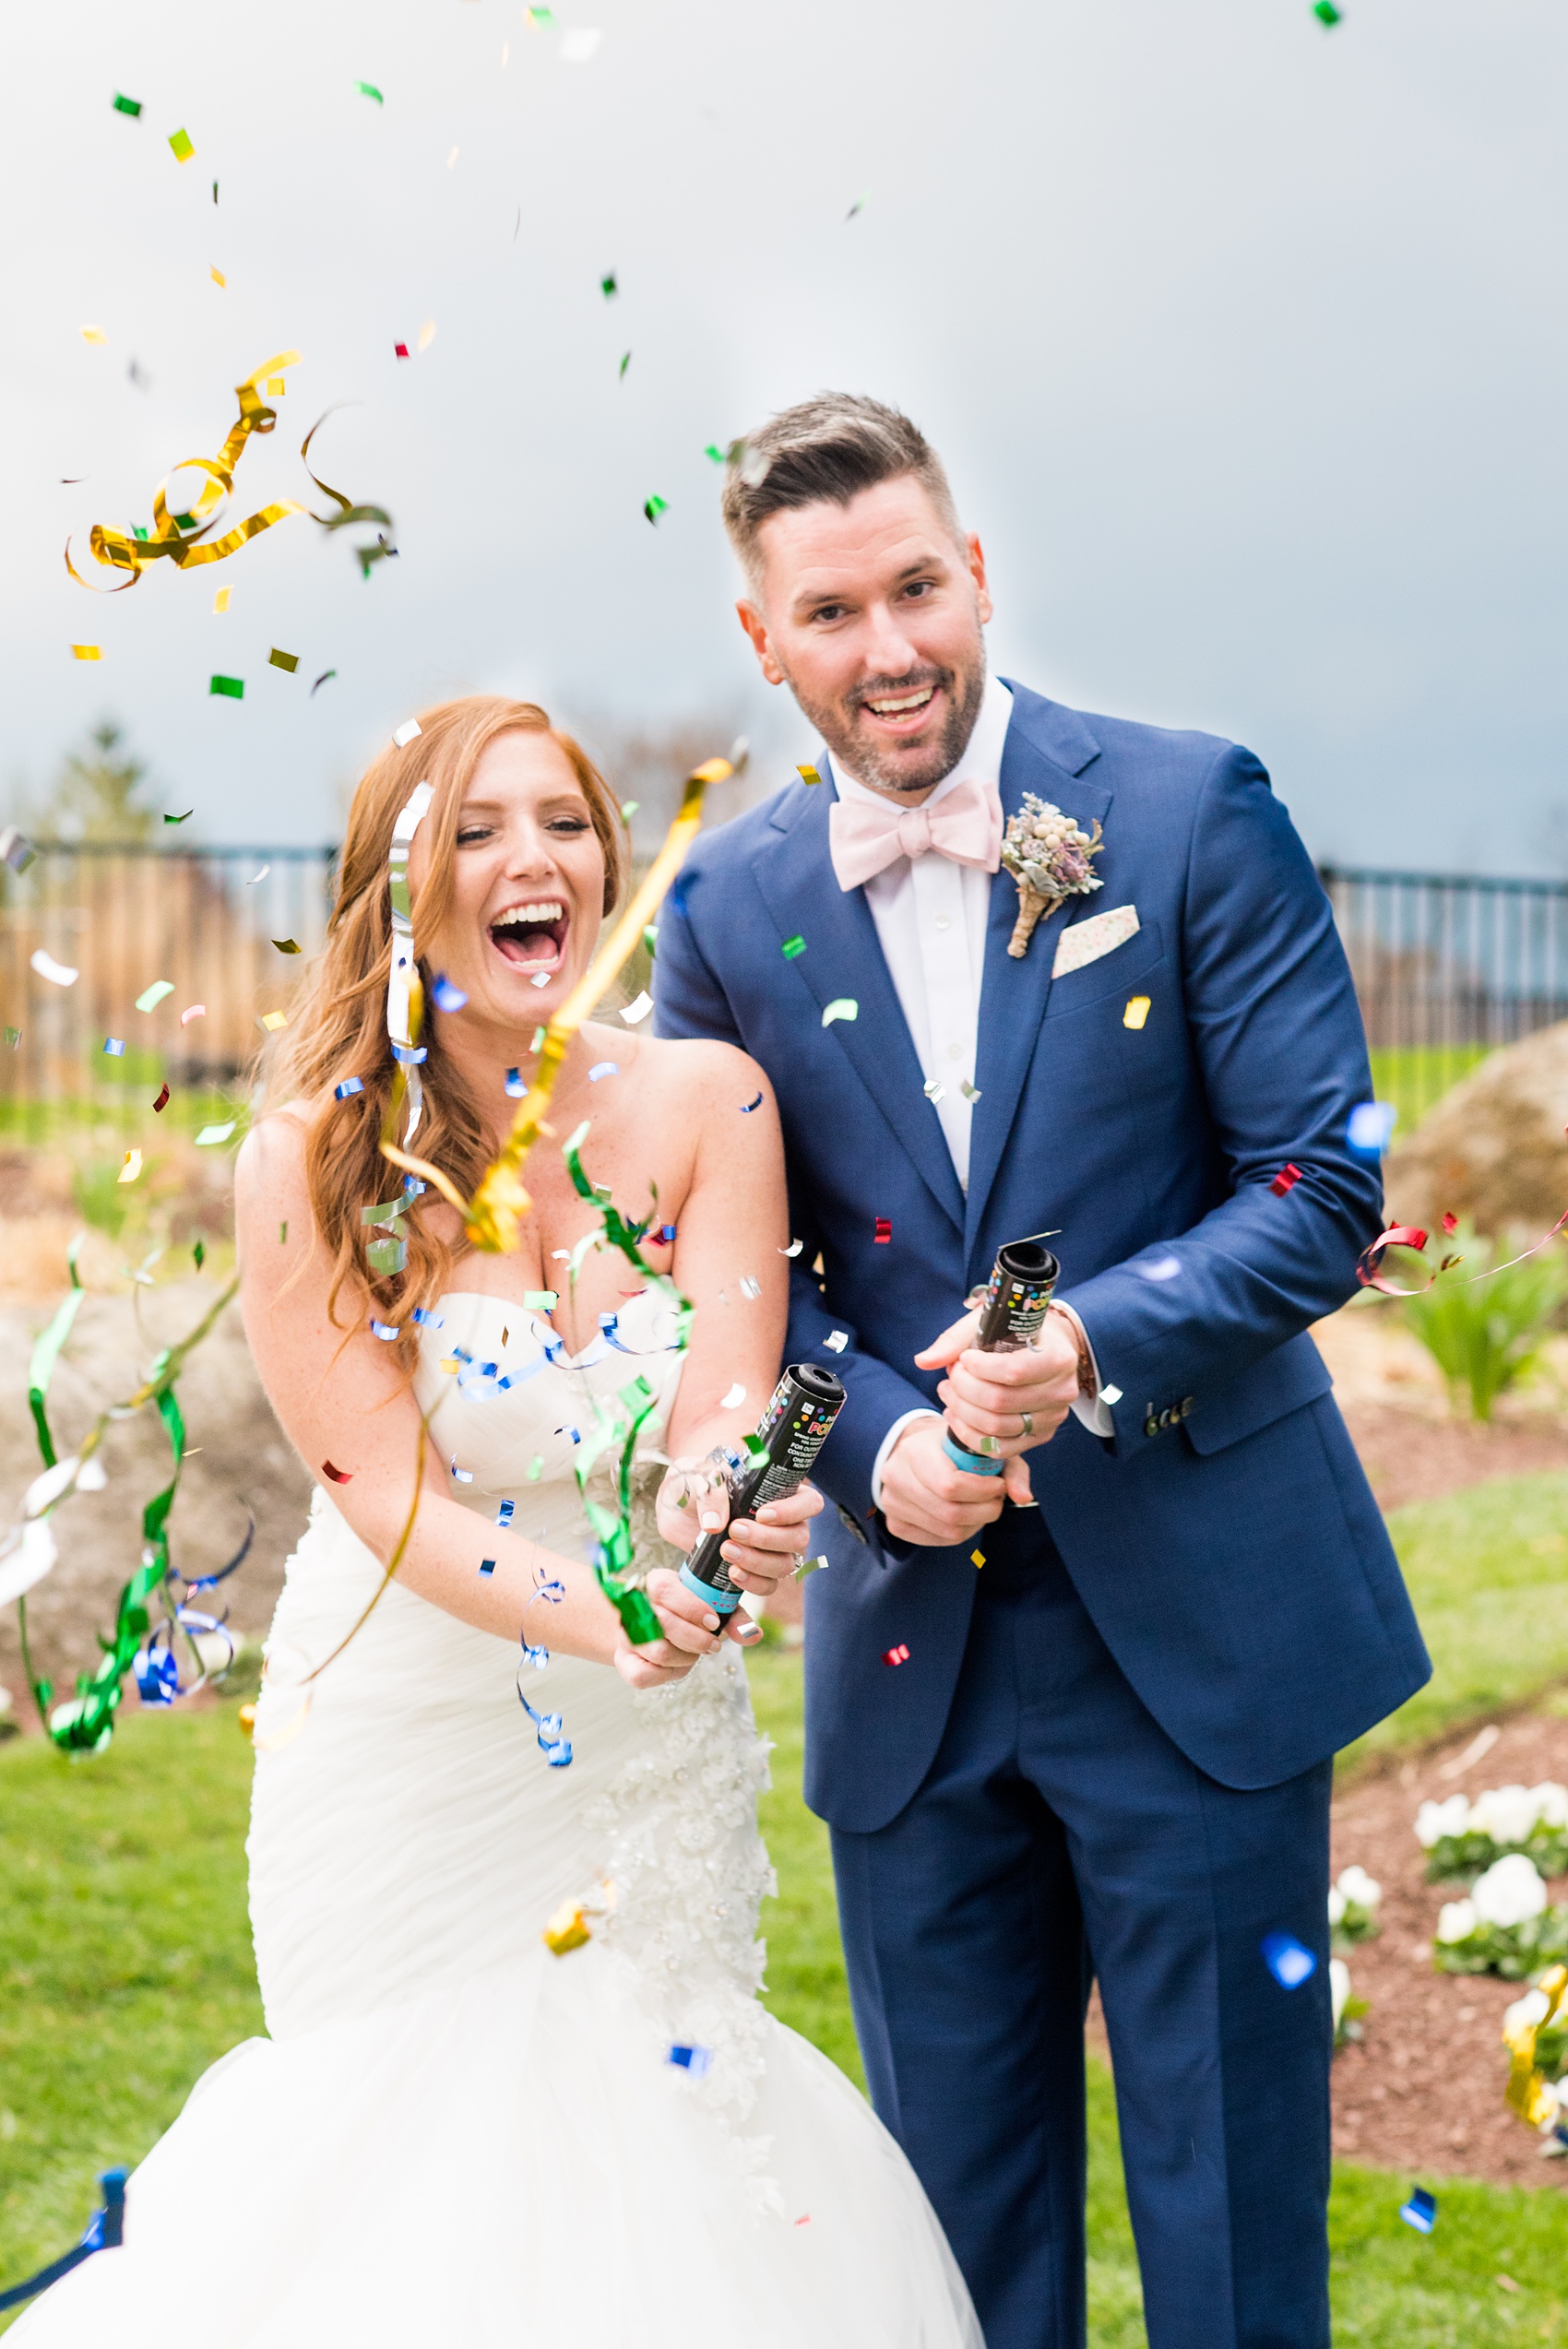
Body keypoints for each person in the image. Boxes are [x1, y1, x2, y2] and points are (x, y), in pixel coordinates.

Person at [9, 695, 980, 2349]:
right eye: (474, 830)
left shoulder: (710, 1103)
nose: (534, 860)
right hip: (408, 1735)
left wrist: (718, 1514)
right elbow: (379, 1493)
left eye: (563, 821)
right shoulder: (315, 1154)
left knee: (661, 2146)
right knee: (404, 2157)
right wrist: (599, 1607)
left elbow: (724, 1406)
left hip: (648, 1731)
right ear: (397, 894)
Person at [652, 395, 1432, 2349]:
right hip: (914, 1665)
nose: (890, 643)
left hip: (1205, 1637)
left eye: (917, 585)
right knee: (950, 2259)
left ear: (976, 571)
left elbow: (1323, 1180)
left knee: (1233, 2242)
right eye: (832, 610)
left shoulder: (1180, 808)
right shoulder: (724, 911)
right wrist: (866, 1451)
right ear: (763, 641)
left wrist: (1086, 1336)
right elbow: (734, 1291)